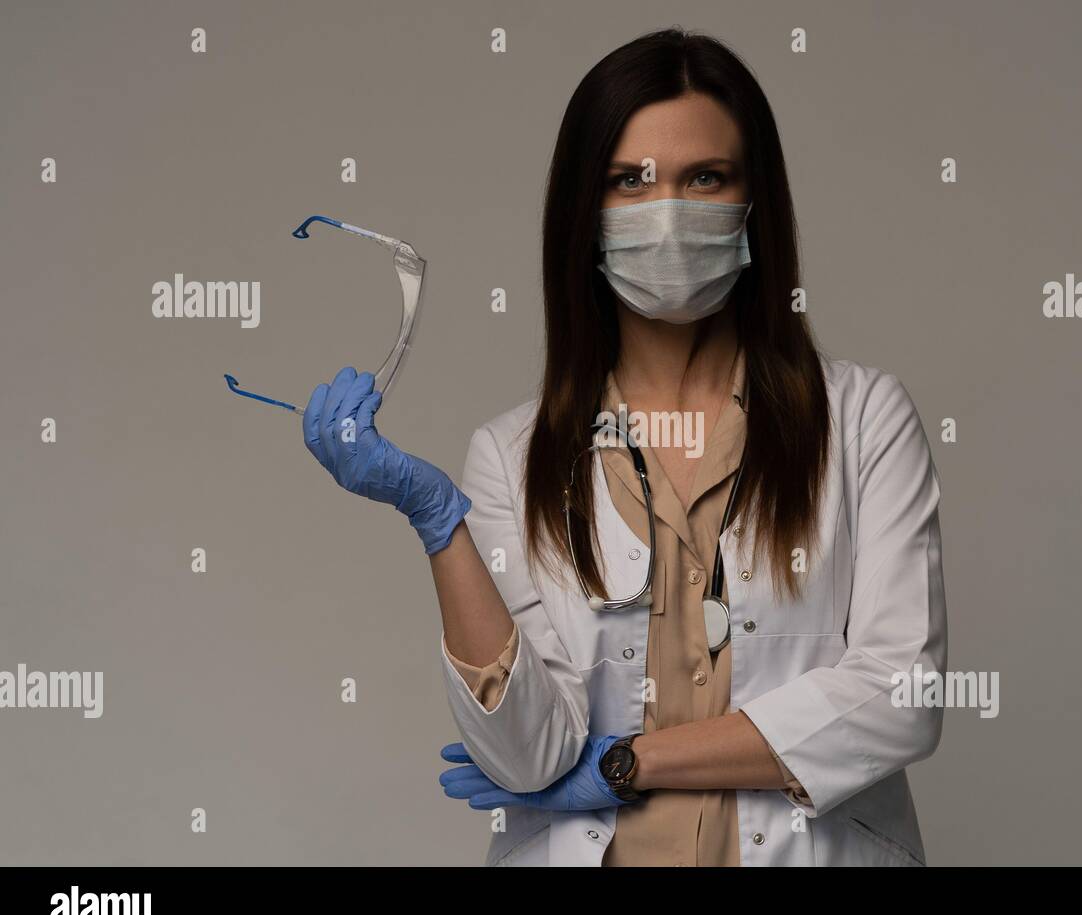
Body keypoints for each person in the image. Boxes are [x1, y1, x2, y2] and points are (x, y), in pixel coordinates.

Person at [302, 27, 947, 867]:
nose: (669, 212)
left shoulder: (862, 420)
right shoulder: (511, 454)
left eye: (705, 178)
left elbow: (903, 697)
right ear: (586, 213)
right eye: (629, 182)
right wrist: (437, 522)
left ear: (755, 203)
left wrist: (628, 763)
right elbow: (527, 756)